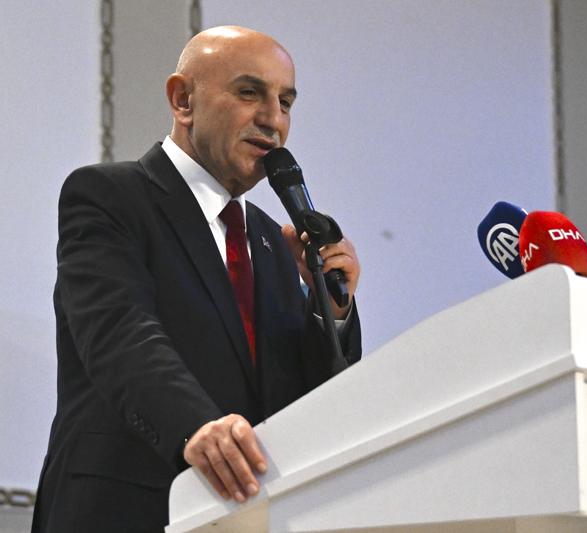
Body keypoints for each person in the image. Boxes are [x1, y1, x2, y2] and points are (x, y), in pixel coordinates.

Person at [32, 26, 362, 532]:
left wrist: (330, 307)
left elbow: (303, 404)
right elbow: (120, 332)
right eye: (249, 92)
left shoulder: (273, 244)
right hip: (124, 510)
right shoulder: (110, 196)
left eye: (285, 102)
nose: (273, 119)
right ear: (183, 99)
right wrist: (196, 426)